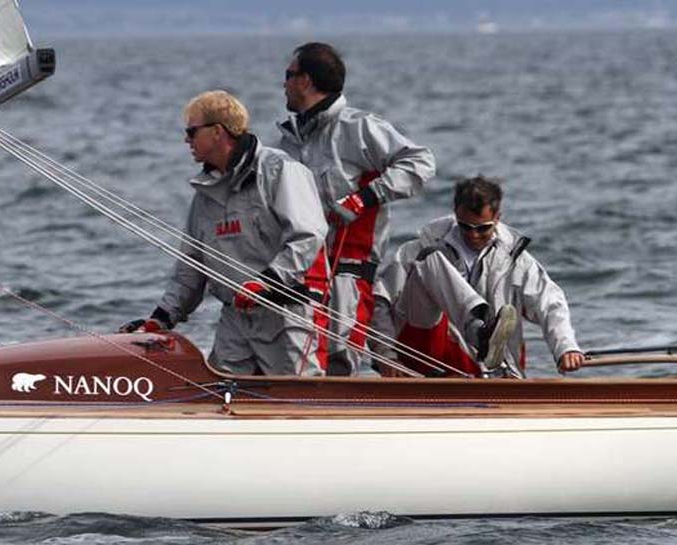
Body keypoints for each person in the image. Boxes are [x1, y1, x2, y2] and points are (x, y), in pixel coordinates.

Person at [120, 90, 328, 376]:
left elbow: (308, 235)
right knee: (219, 398)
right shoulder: (205, 195)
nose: (186, 140)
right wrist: (161, 318)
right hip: (235, 322)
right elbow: (190, 268)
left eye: (191, 131)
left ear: (217, 132)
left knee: (296, 404)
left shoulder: (281, 170)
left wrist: (266, 282)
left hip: (286, 317)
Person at [278, 42, 436, 376]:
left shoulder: (360, 128)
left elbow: (420, 162)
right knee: (293, 360)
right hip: (299, 274)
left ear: (306, 81)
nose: (284, 84)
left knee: (338, 359)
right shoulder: (288, 141)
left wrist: (364, 197)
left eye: (289, 75)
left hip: (349, 273)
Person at [371, 176, 584, 378]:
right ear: (455, 214)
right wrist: (386, 355)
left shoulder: (516, 259)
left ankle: (487, 347)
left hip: (483, 365)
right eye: (465, 227)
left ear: (497, 218)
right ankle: (480, 333)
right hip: (423, 353)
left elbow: (549, 303)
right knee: (428, 259)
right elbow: (380, 300)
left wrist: (566, 348)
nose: (473, 235)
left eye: (482, 229)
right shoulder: (420, 247)